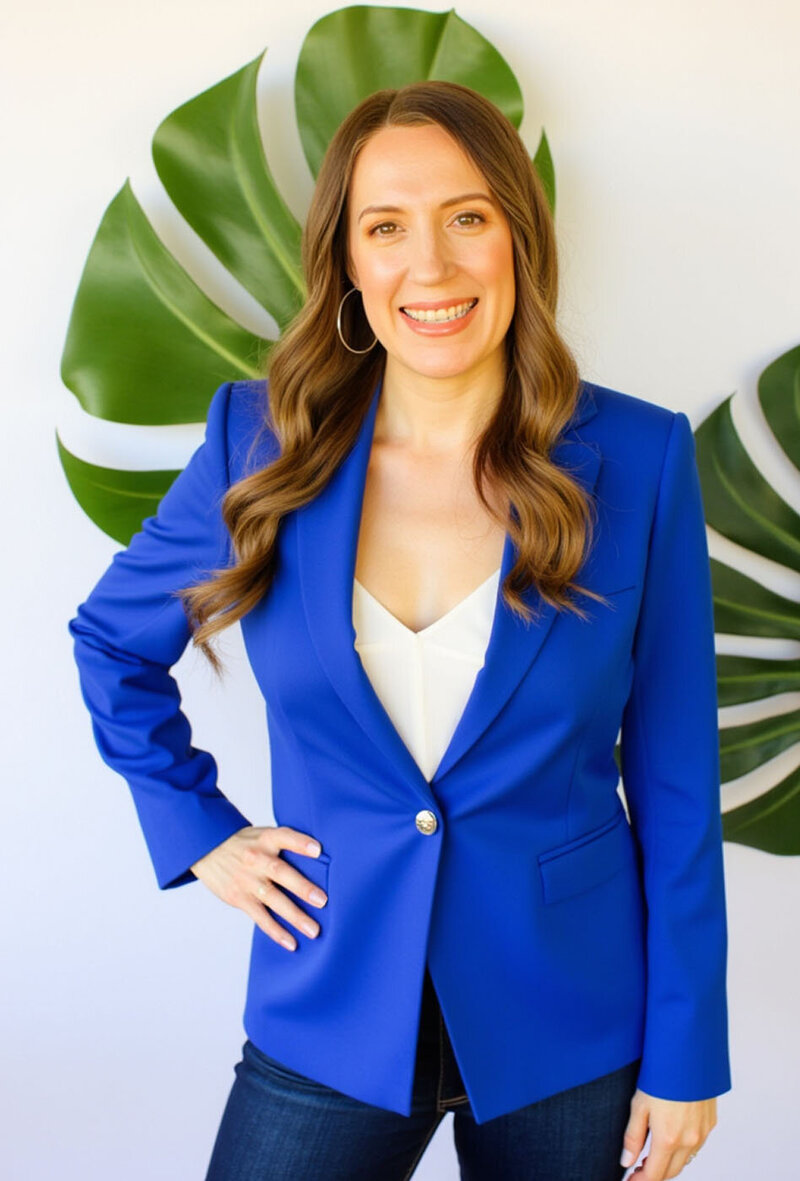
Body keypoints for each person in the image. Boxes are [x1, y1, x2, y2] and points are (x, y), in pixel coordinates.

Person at [68, 80, 731, 1180]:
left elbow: (672, 780)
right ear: (350, 264)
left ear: (516, 237)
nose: (429, 266)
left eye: (465, 217)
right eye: (386, 227)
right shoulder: (260, 447)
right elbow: (111, 641)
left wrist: (686, 1053)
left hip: (570, 1019)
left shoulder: (641, 458)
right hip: (328, 1001)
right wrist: (198, 830)